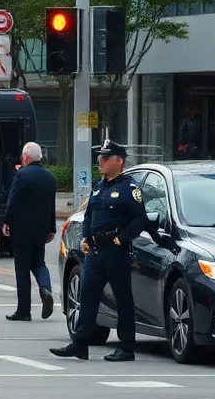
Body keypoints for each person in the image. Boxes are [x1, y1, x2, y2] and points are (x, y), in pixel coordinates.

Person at [51, 139, 149, 362]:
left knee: (123, 299)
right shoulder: (99, 187)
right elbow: (89, 215)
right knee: (88, 296)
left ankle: (126, 347)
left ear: (119, 161)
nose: (101, 162)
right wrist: (86, 237)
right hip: (96, 251)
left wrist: (122, 239)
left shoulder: (129, 188)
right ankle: (80, 343)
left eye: (105, 158)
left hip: (117, 252)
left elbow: (140, 219)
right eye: (100, 158)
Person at [2, 141, 56, 322]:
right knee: (39, 263)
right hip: (41, 230)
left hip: (22, 230)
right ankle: (46, 288)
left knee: (22, 269)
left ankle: (24, 311)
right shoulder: (49, 177)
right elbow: (52, 205)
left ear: (25, 157)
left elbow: (13, 201)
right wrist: (51, 228)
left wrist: (6, 221)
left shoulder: (21, 175)